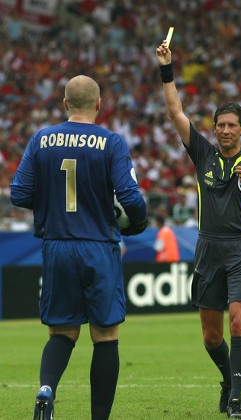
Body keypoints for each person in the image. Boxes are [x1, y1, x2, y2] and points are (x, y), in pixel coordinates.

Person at [156, 41, 241, 419]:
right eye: (221, 125)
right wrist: (167, 68)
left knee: (239, 320)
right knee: (211, 337)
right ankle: (226, 380)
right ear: (214, 129)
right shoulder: (203, 154)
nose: (226, 130)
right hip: (207, 250)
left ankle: (235, 402)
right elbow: (174, 111)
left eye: (233, 125)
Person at [10, 75, 148, 420]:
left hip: (57, 246)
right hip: (98, 247)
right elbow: (130, 196)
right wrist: (139, 222)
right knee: (105, 335)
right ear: (99, 104)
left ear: (65, 104)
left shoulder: (42, 139)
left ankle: (46, 389)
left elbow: (19, 193)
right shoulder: (111, 142)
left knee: (62, 331)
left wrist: (52, 204)